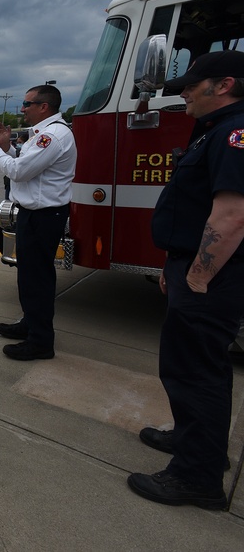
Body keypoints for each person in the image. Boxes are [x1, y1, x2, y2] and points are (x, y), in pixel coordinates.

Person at [127, 50, 244, 511]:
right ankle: (196, 443)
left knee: (197, 373)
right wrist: (176, 267)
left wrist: (196, 275)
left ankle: (197, 478)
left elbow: (232, 216)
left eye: (194, 84)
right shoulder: (214, 131)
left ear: (224, 85)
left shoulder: (234, 134)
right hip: (195, 269)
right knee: (190, 369)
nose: (184, 91)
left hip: (213, 278)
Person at [0, 84, 76, 361]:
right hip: (35, 214)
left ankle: (41, 341)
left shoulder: (52, 136)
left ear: (44, 107)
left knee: (37, 278)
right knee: (29, 275)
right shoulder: (42, 135)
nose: (22, 109)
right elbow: (25, 163)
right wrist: (6, 146)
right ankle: (30, 324)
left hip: (44, 216)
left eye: (27, 104)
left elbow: (17, 171)